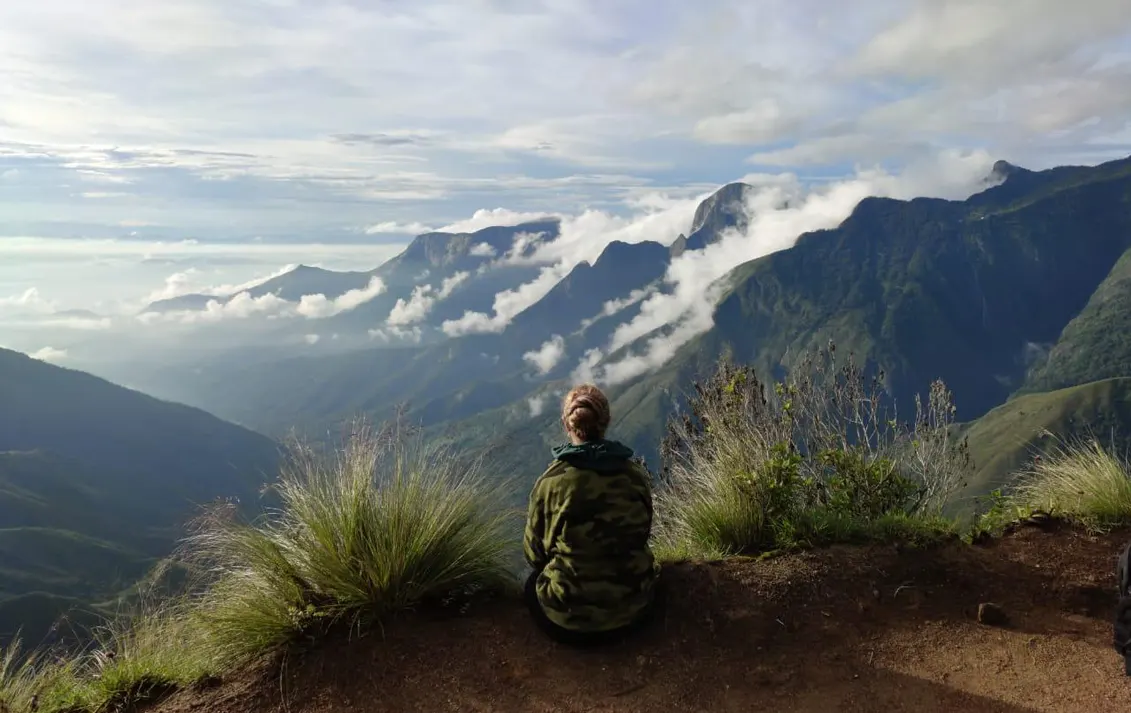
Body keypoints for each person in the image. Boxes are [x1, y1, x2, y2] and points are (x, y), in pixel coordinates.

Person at [522, 384, 663, 646]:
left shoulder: (551, 483)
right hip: (634, 614)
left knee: (532, 584)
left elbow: (534, 555)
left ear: (567, 425)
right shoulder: (633, 477)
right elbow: (642, 533)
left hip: (567, 622)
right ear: (606, 423)